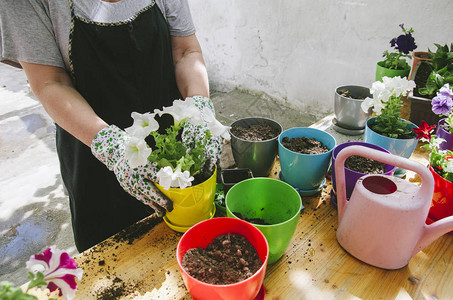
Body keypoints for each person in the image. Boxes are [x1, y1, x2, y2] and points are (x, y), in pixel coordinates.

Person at [0, 0, 218, 252]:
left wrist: (199, 106)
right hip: (94, 151)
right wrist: (112, 147)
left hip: (171, 135)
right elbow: (50, 82)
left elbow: (185, 51)